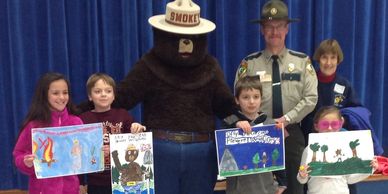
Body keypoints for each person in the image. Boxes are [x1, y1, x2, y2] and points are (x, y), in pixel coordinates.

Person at [234, 0, 318, 193]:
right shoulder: (249, 64)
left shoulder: (302, 62)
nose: (274, 32)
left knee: (295, 187)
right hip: (256, 134)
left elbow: (311, 97)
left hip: (291, 133)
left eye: (279, 26)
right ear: (262, 30)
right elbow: (238, 98)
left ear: (287, 29)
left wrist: (286, 119)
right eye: (269, 27)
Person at [13, 72, 83, 194]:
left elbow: (85, 153)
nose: (61, 97)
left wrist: (97, 151)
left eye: (65, 93)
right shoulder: (34, 125)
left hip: (71, 189)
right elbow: (19, 154)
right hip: (41, 189)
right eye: (55, 93)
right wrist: (26, 161)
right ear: (44, 95)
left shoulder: (76, 122)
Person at [78, 73, 146, 194]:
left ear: (114, 95)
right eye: (98, 91)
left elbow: (135, 139)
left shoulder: (123, 115)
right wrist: (81, 182)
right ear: (90, 96)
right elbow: (79, 153)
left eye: (108, 91)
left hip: (122, 179)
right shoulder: (83, 119)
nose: (103, 94)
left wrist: (137, 127)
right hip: (96, 181)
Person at [222, 75, 286, 194]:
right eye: (245, 97)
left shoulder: (270, 123)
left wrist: (282, 183)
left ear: (261, 98)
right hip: (238, 190)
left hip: (266, 188)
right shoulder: (229, 122)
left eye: (256, 97)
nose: (251, 101)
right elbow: (221, 145)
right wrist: (236, 125)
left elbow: (278, 155)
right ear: (237, 100)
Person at [297, 106, 377, 194]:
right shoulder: (309, 150)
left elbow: (350, 179)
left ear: (340, 124)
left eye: (334, 124)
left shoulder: (345, 149)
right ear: (316, 126)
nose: (330, 128)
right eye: (324, 124)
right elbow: (302, 179)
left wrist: (369, 169)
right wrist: (302, 175)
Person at [302, 39, 361, 140]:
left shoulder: (345, 85)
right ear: (318, 59)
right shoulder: (308, 82)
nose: (328, 63)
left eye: (333, 58)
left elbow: (354, 112)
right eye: (324, 57)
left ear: (338, 60)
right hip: (310, 137)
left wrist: (340, 122)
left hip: (337, 138)